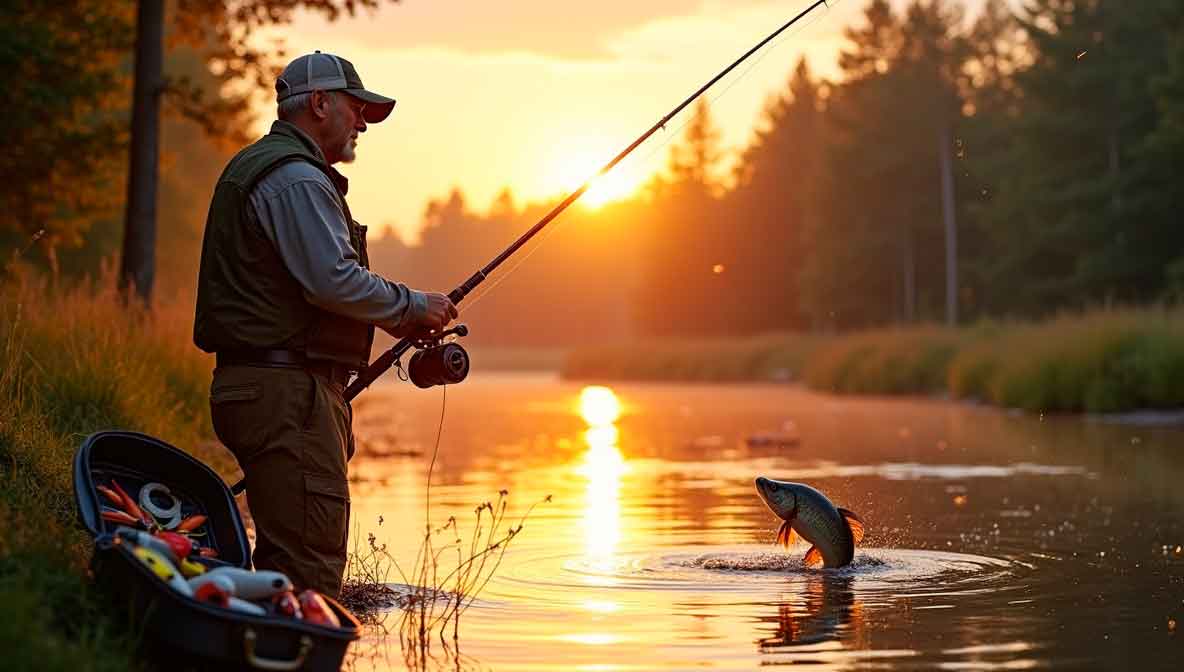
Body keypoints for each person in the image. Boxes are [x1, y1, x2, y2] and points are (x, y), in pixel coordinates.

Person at [193, 51, 457, 595]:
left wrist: (398, 319)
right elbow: (332, 281)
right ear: (319, 104)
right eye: (356, 108)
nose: (362, 123)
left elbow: (316, 286)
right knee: (308, 573)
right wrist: (412, 307)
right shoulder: (296, 178)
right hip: (285, 393)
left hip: (275, 388)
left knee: (282, 568)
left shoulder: (269, 168)